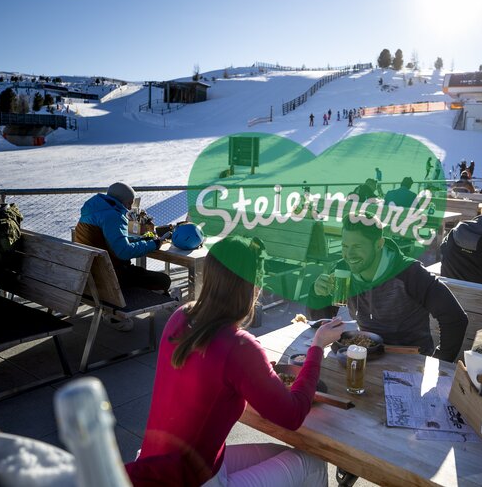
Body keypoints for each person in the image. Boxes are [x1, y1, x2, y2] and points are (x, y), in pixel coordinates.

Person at [129, 236, 341, 486]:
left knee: (283, 454)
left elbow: (208, 372)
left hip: (158, 468)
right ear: (252, 286)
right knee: (311, 462)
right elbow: (292, 415)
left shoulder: (181, 316)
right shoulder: (239, 347)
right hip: (192, 479)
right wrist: (317, 346)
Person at [309, 217, 468, 361]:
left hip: (410, 360)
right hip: (364, 355)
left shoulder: (409, 273)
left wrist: (440, 362)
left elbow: (455, 318)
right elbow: (323, 321)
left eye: (357, 246)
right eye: (345, 245)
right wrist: (317, 295)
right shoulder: (343, 269)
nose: (348, 254)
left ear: (379, 244)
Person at [74, 182, 175, 331]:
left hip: (90, 275)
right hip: (110, 279)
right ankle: (116, 314)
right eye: (129, 203)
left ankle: (117, 311)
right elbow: (124, 251)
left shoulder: (94, 211)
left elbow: (112, 240)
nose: (129, 207)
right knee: (164, 280)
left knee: (145, 276)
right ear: (123, 201)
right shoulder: (113, 215)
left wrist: (142, 240)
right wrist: (155, 244)